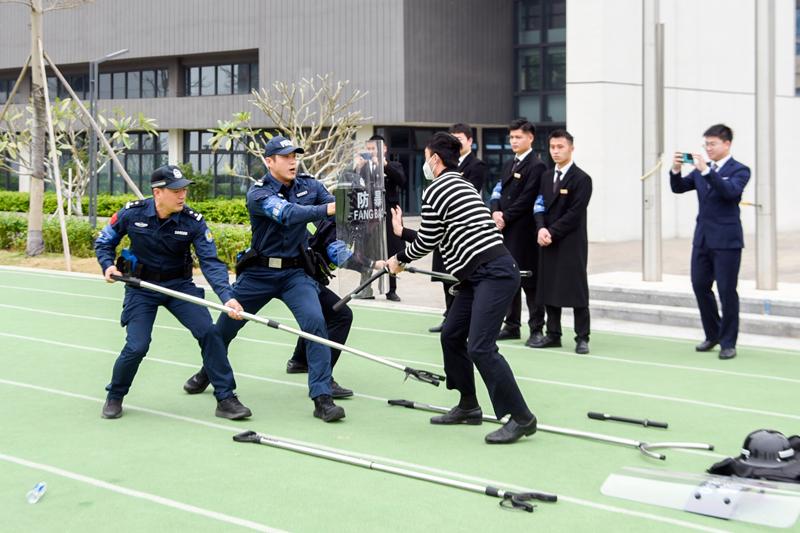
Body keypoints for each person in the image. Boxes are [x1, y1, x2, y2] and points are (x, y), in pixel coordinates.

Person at [387, 132, 538, 445]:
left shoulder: (439, 188)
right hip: (476, 275)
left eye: (427, 158)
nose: (426, 164)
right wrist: (402, 237)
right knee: (452, 334)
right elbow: (439, 233)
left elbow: (428, 241)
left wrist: (398, 260)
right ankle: (468, 405)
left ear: (435, 160)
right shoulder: (461, 185)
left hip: (493, 273)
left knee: (481, 346)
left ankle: (521, 417)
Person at [182, 135, 346, 422]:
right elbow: (287, 214)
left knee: (315, 323)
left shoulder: (310, 186)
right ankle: (208, 372)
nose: (293, 161)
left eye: (295, 155)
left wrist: (357, 206)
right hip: (259, 273)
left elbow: (335, 213)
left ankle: (322, 397)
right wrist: (329, 209)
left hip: (295, 273)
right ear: (269, 162)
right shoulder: (258, 194)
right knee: (223, 330)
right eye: (285, 157)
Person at [95, 165, 251, 420]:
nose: (182, 195)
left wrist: (228, 297)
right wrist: (108, 265)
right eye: (176, 190)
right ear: (158, 192)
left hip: (179, 286)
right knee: (137, 345)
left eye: (184, 190)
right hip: (142, 287)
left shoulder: (193, 222)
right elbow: (105, 241)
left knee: (210, 333)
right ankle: (115, 395)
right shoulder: (131, 213)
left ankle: (226, 399)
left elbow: (210, 262)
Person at [669, 124, 750, 360]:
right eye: (706, 144)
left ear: (727, 144)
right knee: (699, 285)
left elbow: (729, 192)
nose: (708, 148)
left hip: (727, 241)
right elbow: (678, 188)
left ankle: (728, 342)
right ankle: (713, 333)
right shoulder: (702, 170)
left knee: (727, 291)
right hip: (702, 238)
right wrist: (675, 170)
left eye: (713, 143)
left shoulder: (740, 170)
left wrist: (706, 171)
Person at [529, 130, 593, 354]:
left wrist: (551, 232)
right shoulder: (546, 177)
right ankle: (553, 334)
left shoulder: (582, 179)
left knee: (576, 290)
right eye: (552, 147)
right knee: (548, 287)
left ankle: (582, 337)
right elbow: (539, 205)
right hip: (547, 240)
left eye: (560, 147)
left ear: (571, 148)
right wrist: (540, 228)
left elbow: (574, 213)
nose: (555, 151)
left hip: (571, 243)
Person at [427, 123, 490, 333]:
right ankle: (450, 316)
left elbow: (425, 239)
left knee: (461, 281)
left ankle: (459, 320)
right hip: (446, 238)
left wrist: (401, 257)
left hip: (462, 238)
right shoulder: (439, 181)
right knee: (447, 277)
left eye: (460, 137)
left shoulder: (474, 167)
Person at [490, 119, 546, 345]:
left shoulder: (537, 165)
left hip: (525, 232)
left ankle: (536, 328)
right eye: (511, 137)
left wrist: (505, 217)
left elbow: (528, 198)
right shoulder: (509, 163)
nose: (514, 141)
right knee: (509, 277)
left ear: (530, 138)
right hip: (506, 230)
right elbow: (497, 191)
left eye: (518, 137)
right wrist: (495, 212)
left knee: (530, 281)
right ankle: (512, 324)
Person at [354, 135, 407, 301]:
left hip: (389, 216)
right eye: (368, 149)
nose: (371, 152)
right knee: (367, 250)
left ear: (383, 149)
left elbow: (402, 181)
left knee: (392, 250)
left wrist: (384, 165)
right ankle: (366, 288)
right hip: (369, 216)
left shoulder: (394, 165)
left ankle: (391, 289)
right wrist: (355, 169)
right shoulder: (363, 167)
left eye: (373, 149)